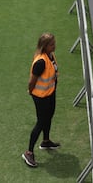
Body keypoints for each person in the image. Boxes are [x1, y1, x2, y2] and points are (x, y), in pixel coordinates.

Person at [23, 33, 60, 168]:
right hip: (41, 96)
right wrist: (31, 91)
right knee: (41, 122)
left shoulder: (50, 56)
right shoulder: (40, 62)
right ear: (45, 46)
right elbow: (32, 81)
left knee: (49, 117)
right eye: (51, 44)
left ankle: (45, 141)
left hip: (50, 93)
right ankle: (29, 152)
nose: (54, 46)